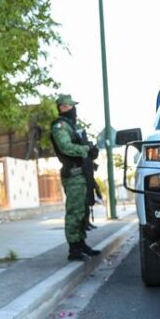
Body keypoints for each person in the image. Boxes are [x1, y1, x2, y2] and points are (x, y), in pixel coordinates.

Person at [50, 94, 102, 261]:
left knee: (83, 210)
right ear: (62, 107)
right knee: (74, 212)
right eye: (70, 106)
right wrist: (85, 149)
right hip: (73, 175)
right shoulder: (60, 126)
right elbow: (65, 147)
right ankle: (74, 249)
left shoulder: (71, 126)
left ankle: (80, 243)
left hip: (81, 173)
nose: (73, 109)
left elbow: (80, 146)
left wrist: (91, 150)